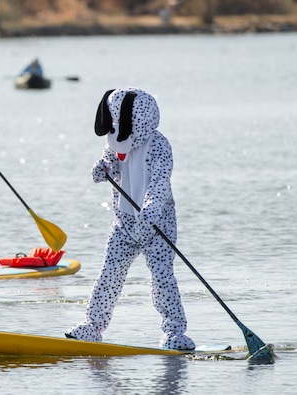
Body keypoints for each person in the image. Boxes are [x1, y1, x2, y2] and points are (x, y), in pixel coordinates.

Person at [65, 88, 196, 350]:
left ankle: (174, 331)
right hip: (124, 222)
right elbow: (109, 163)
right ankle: (93, 325)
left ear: (138, 121)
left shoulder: (159, 145)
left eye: (118, 123)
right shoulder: (116, 141)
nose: (114, 130)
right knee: (109, 274)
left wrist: (151, 207)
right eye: (111, 123)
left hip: (157, 224)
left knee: (162, 277)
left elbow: (160, 182)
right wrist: (102, 170)